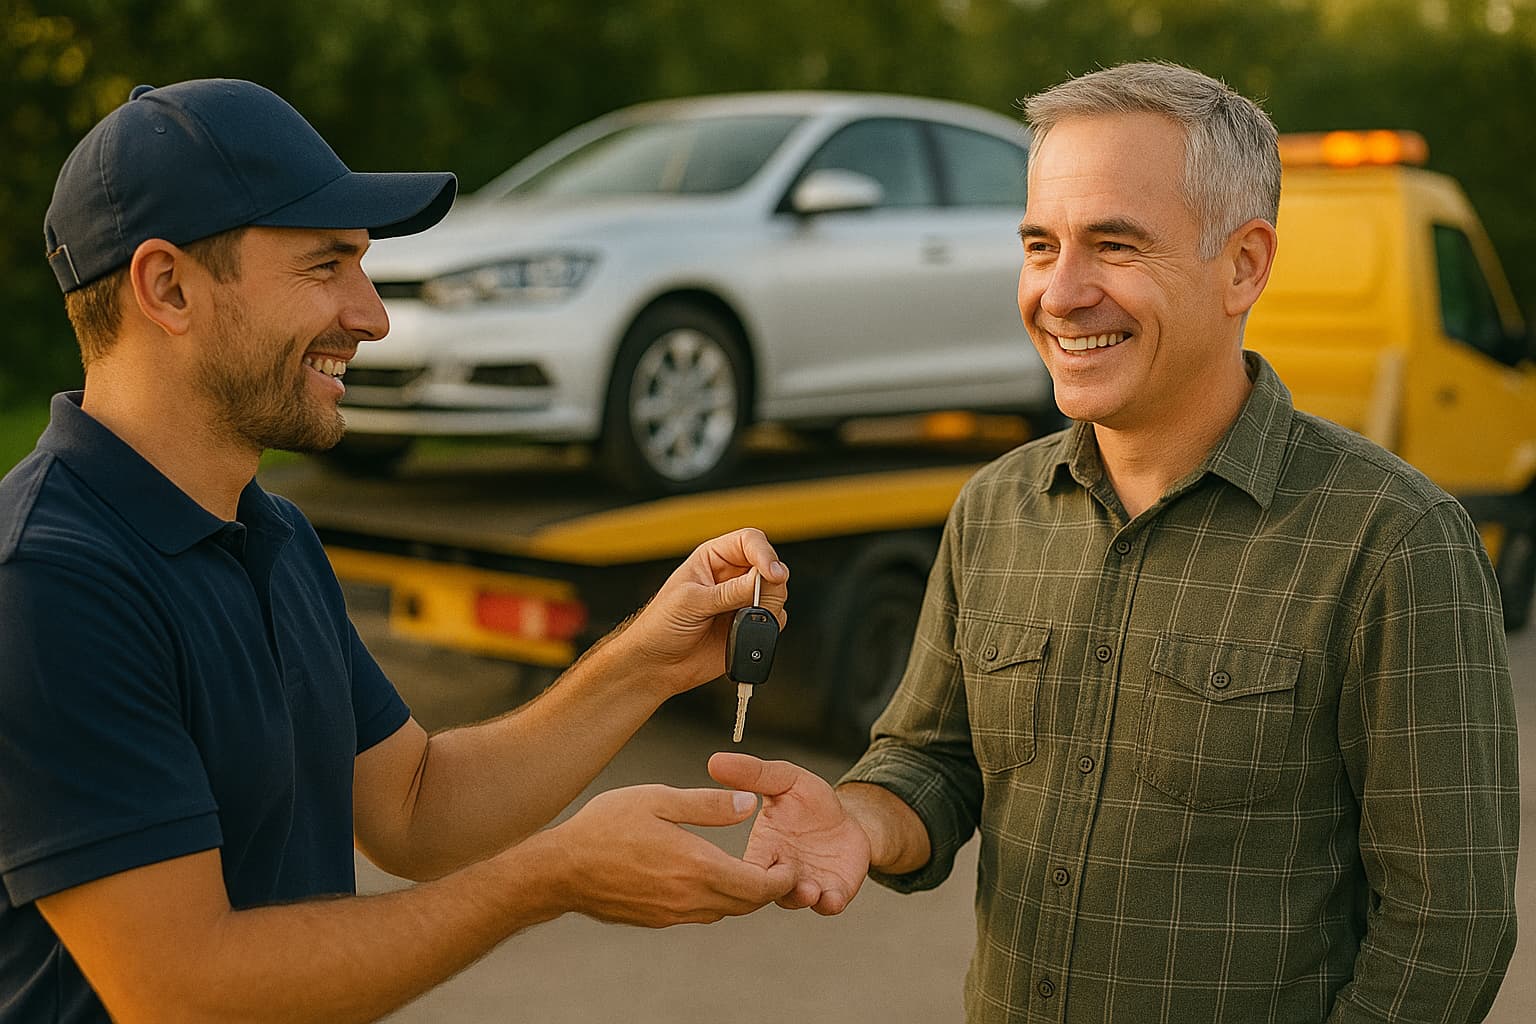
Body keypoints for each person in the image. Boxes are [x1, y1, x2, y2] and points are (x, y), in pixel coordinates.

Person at [711, 61, 1519, 1022]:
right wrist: (859, 819)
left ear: (1245, 266)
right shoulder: (994, 509)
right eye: (1040, 245)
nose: (1060, 294)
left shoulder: (1395, 542)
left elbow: (1447, 929)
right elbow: (932, 761)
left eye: (1115, 245)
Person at [0, 79, 793, 1024]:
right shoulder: (46, 584)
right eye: (325, 265)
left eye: (363, 266)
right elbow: (181, 989)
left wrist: (647, 660)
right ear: (167, 287)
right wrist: (550, 876)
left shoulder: (272, 533)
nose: (372, 316)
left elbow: (414, 807)